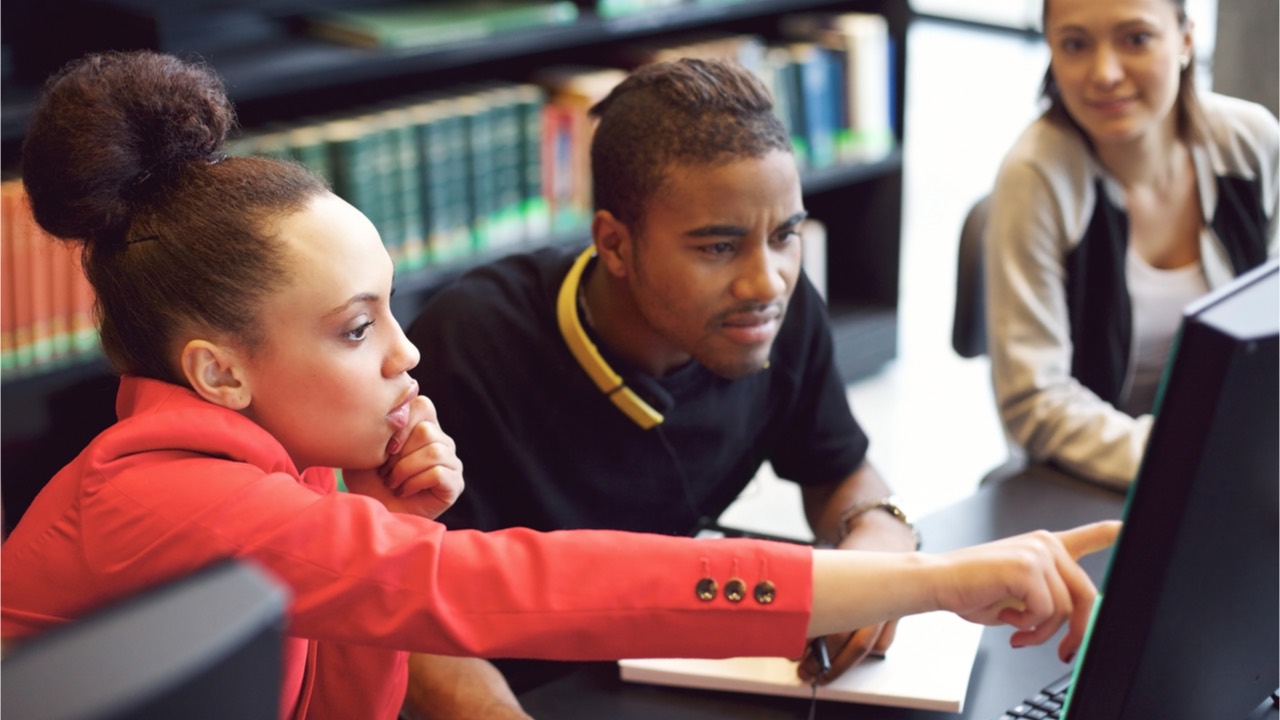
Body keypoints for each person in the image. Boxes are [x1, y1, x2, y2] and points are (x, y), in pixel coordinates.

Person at [0, 50, 1119, 720]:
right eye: (356, 328)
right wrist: (931, 584)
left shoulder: (276, 478)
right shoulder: (171, 500)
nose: (408, 351)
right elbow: (513, 588)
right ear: (217, 371)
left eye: (390, 306)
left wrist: (379, 519)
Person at [403, 58, 938, 716]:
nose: (767, 281)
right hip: (522, 687)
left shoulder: (778, 316)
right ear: (616, 246)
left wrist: (878, 541)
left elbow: (837, 467)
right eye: (719, 247)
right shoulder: (468, 346)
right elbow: (407, 617)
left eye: (785, 236)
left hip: (661, 667)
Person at [984, 0, 1278, 487]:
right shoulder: (1035, 176)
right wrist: (1184, 458)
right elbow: (1033, 401)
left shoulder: (1250, 142)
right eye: (1075, 44)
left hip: (1235, 461)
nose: (1105, 73)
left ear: (1185, 39)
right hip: (1096, 480)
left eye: (1136, 38)